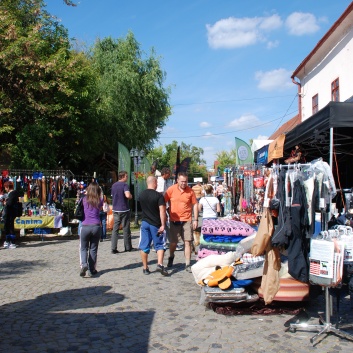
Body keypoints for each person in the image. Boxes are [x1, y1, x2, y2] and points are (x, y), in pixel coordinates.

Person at [164, 172, 198, 272]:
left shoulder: (190, 191)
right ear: (177, 180)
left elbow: (195, 204)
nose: (184, 183)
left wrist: (195, 219)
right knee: (173, 243)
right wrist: (164, 214)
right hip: (174, 220)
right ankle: (171, 256)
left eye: (186, 181)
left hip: (187, 220)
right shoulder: (171, 190)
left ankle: (187, 264)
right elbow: (163, 201)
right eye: (182, 181)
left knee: (188, 242)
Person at [138, 176, 169, 276]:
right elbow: (162, 211)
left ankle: (145, 267)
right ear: (155, 182)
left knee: (144, 246)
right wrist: (163, 224)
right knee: (159, 245)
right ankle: (159, 264)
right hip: (156, 224)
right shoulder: (159, 196)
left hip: (145, 222)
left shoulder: (141, 195)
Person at [79, 182, 103, 277]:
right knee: (93, 249)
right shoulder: (100, 200)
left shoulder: (84, 199)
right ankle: (91, 269)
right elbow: (100, 210)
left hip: (85, 225)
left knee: (84, 248)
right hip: (96, 225)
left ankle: (84, 264)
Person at [111, 170, 136, 253]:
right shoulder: (125, 185)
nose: (127, 177)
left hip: (115, 209)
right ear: (122, 177)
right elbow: (127, 195)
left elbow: (112, 196)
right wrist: (131, 196)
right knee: (126, 228)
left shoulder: (114, 185)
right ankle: (128, 247)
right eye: (126, 176)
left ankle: (113, 247)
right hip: (124, 209)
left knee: (115, 228)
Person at [2, 181, 19, 249]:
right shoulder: (10, 194)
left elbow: (10, 203)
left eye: (6, 187)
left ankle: (12, 242)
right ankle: (8, 240)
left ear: (8, 187)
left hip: (10, 213)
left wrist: (5, 202)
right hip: (9, 213)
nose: (5, 189)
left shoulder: (12, 193)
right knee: (7, 226)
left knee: (10, 226)